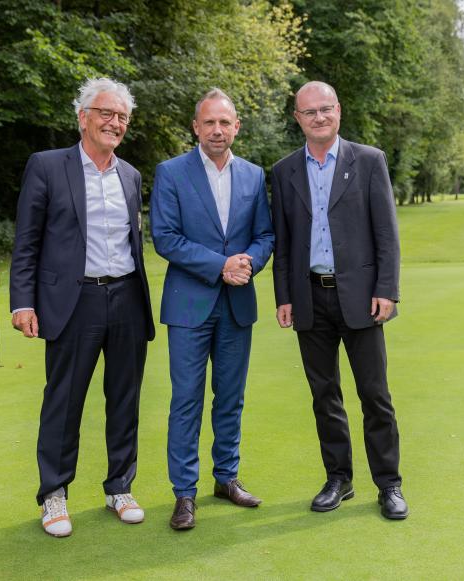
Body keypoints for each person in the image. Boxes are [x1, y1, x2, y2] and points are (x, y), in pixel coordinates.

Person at [10, 77, 155, 537]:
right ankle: (53, 495)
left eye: (122, 117)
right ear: (83, 117)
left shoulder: (130, 175)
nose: (115, 123)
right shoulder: (48, 166)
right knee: (64, 400)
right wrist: (22, 302)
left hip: (128, 296)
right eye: (107, 113)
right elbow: (27, 241)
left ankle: (120, 486)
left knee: (125, 399)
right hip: (74, 301)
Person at [271, 81, 408, 520]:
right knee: (324, 394)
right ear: (298, 118)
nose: (318, 117)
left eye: (325, 109)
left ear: (338, 112)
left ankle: (388, 484)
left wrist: (387, 289)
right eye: (309, 112)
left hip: (362, 299)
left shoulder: (368, 161)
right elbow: (283, 241)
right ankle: (339, 478)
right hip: (310, 299)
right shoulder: (284, 170)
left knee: (375, 395)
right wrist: (284, 296)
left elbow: (386, 233)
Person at [150, 88, 274, 530]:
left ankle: (227, 478)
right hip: (189, 305)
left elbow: (265, 236)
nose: (217, 130)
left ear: (237, 126)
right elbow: (165, 237)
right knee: (186, 400)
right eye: (209, 122)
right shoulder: (171, 173)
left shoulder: (255, 176)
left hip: (237, 305)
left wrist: (248, 264)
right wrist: (220, 265)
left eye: (225, 122)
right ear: (196, 127)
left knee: (230, 399)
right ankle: (184, 493)